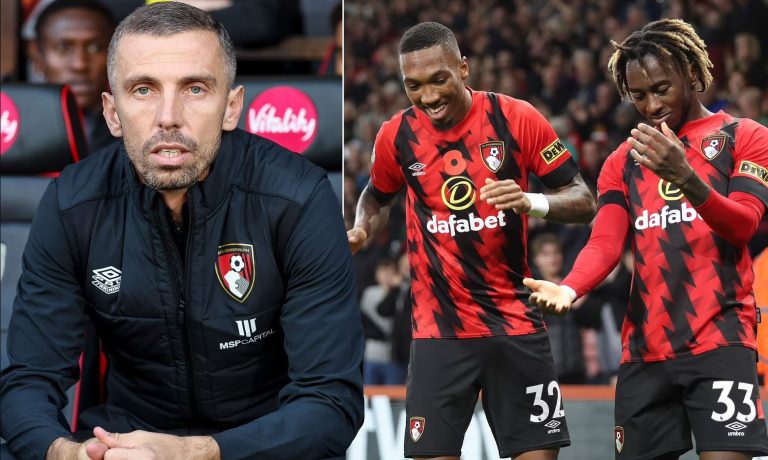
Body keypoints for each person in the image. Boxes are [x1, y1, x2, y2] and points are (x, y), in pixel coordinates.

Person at [0, 3, 364, 460]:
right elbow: (28, 381)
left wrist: (194, 453)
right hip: (125, 445)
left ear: (231, 107)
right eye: (143, 90)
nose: (168, 116)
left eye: (195, 88)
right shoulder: (73, 204)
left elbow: (331, 402)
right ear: (112, 112)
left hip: (263, 445)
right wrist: (69, 454)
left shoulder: (297, 198)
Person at [347, 21, 596, 460]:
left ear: (463, 68)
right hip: (439, 331)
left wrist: (531, 201)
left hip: (514, 323)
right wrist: (363, 227)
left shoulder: (516, 117)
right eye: (413, 86)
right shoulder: (396, 135)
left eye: (438, 79)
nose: (428, 97)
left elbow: (583, 199)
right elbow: (376, 194)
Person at [524, 18, 768, 460]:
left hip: (721, 340)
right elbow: (606, 243)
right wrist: (570, 287)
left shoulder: (745, 137)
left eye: (661, 89)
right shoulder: (623, 161)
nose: (652, 105)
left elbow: (744, 225)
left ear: (691, 75)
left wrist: (686, 177)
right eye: (638, 95)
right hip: (645, 351)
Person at [29, 0, 117, 152]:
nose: (80, 64)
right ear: (38, 61)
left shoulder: (134, 132)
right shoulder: (17, 129)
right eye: (63, 48)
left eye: (95, 47)